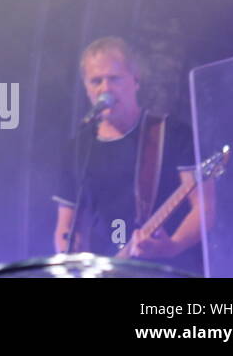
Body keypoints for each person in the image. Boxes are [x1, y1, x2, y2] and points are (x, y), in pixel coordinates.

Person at [52, 36, 212, 274]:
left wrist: (172, 246)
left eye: (114, 79)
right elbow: (67, 224)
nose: (105, 88)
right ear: (87, 89)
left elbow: (205, 208)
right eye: (96, 81)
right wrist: (71, 258)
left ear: (135, 80)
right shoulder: (78, 148)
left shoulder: (172, 134)